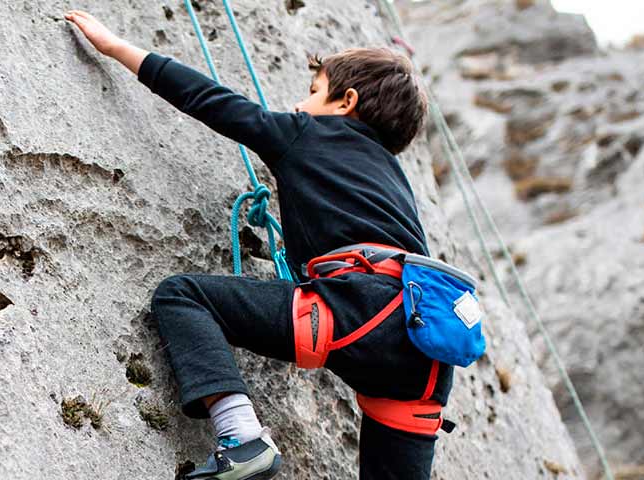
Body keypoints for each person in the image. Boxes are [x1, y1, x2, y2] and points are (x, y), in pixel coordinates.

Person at [63, 10, 449, 480]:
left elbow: (211, 100)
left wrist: (116, 46)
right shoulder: (395, 180)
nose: (300, 105)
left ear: (346, 102)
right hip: (427, 352)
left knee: (183, 296)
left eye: (313, 92)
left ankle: (242, 437)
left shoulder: (307, 133)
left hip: (355, 310)